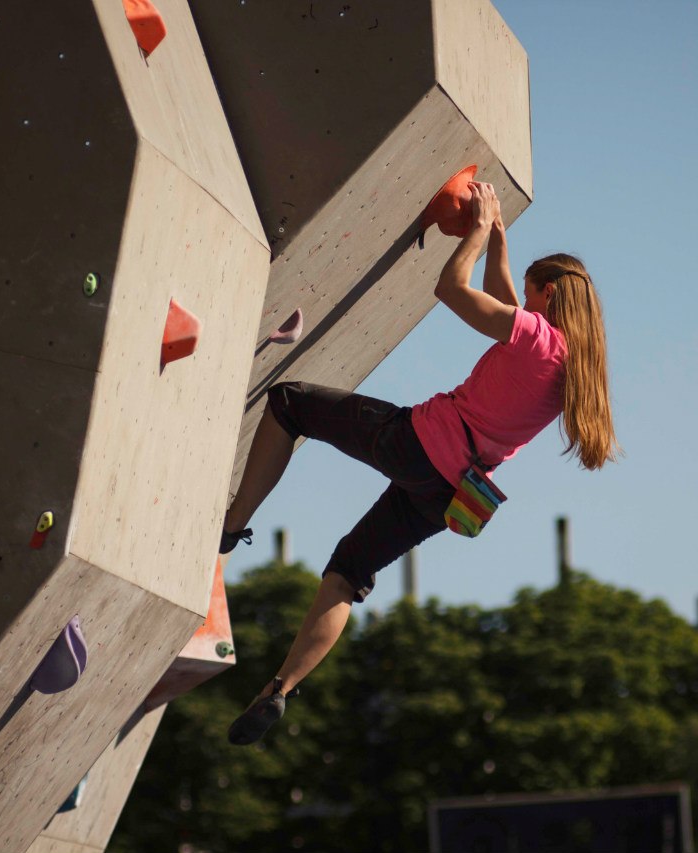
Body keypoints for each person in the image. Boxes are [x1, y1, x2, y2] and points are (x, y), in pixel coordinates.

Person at [220, 182, 619, 745]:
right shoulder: (571, 368)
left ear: (549, 297)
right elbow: (505, 304)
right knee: (349, 571)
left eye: (532, 298)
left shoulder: (533, 336)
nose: (522, 306)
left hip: (419, 443)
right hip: (449, 494)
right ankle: (280, 690)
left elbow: (451, 289)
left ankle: (230, 527)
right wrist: (500, 237)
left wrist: (477, 234)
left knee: (289, 403)